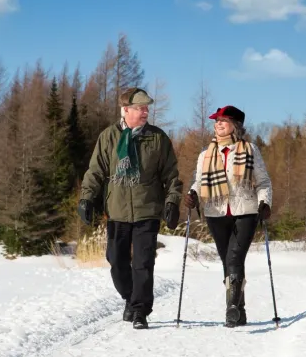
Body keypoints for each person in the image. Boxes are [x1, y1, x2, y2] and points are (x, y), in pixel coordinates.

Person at [78, 87, 183, 330]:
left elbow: (171, 175)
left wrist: (172, 202)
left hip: (147, 209)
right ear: (125, 110)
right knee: (116, 260)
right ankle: (130, 297)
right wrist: (86, 198)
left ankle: (140, 311)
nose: (145, 112)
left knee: (143, 263)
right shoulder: (109, 137)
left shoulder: (157, 138)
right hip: (117, 210)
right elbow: (96, 171)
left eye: (146, 108)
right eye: (140, 108)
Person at [183, 105, 272, 328]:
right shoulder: (205, 154)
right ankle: (239, 312)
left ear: (235, 125)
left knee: (234, 258)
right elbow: (199, 181)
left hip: (246, 212)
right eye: (217, 121)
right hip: (216, 213)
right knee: (228, 261)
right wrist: (192, 193)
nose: (218, 124)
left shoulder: (250, 149)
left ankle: (231, 307)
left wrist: (265, 202)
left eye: (223, 120)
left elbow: (263, 182)